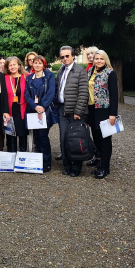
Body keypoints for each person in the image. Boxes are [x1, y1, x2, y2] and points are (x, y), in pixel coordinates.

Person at [56, 46, 89, 177]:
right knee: (64, 138)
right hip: (63, 110)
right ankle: (66, 165)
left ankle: (76, 167)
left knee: (76, 139)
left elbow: (83, 93)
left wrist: (78, 111)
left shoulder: (80, 71)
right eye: (62, 57)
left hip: (76, 111)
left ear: (73, 56)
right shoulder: (60, 71)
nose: (64, 59)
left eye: (67, 56)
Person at [87, 50, 118, 179]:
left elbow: (114, 95)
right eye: (96, 58)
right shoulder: (90, 72)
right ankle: (99, 159)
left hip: (104, 109)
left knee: (105, 138)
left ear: (105, 60)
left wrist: (113, 114)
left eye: (101, 59)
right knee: (95, 136)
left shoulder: (110, 73)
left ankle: (105, 167)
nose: (99, 61)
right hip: (92, 108)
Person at [25, 55, 55, 172]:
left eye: (39, 63)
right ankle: (38, 161)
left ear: (44, 65)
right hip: (33, 111)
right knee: (36, 137)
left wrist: (42, 107)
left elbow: (51, 93)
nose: (37, 65)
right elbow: (26, 94)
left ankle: (47, 162)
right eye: (35, 63)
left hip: (44, 111)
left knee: (43, 136)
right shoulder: (29, 78)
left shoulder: (49, 76)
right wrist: (35, 106)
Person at [4, 56, 28, 152]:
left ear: (19, 65)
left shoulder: (26, 77)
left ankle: (22, 158)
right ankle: (12, 156)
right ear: (7, 67)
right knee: (10, 135)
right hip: (10, 110)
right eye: (10, 65)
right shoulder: (4, 78)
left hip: (22, 109)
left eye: (14, 64)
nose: (12, 67)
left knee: (22, 134)